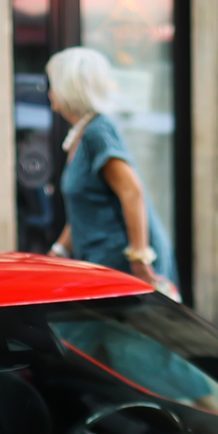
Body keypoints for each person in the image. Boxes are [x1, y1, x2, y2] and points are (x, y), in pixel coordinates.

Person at [44, 47, 174, 293]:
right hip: (97, 262)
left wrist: (139, 258)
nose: (49, 92)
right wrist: (58, 252)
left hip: (116, 266)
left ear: (67, 87)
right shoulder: (83, 134)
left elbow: (131, 192)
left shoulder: (97, 132)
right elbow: (85, 207)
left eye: (52, 84)